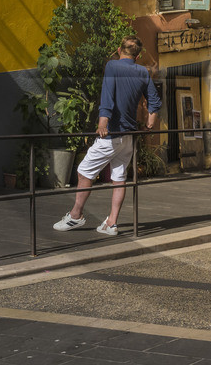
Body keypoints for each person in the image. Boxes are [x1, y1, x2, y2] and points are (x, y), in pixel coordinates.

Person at [54, 35, 161, 236]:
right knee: (119, 178)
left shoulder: (112, 66)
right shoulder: (143, 72)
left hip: (111, 134)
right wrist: (149, 123)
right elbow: (154, 101)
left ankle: (76, 215)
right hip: (129, 136)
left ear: (119, 51)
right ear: (137, 57)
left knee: (84, 172)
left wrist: (103, 122)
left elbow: (107, 96)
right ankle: (111, 223)